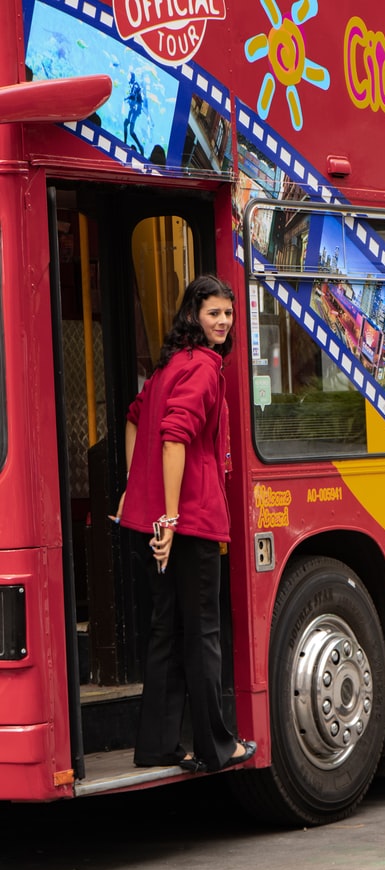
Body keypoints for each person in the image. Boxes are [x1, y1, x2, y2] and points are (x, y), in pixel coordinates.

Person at [114, 274, 256, 774]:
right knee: (203, 634)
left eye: (229, 314)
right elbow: (174, 438)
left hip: (161, 520)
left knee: (166, 631)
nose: (223, 322)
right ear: (193, 313)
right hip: (190, 520)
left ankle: (156, 745)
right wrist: (172, 517)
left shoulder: (168, 365)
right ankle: (217, 747)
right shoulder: (201, 369)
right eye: (214, 313)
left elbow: (135, 418)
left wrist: (139, 488)